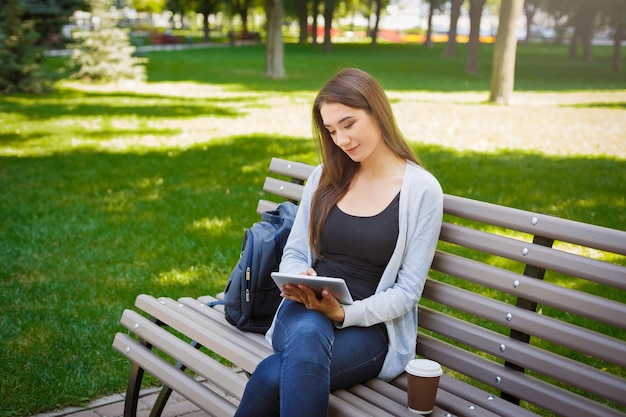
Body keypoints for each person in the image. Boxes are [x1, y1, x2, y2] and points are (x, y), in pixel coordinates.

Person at [234, 68, 443, 417]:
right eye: (332, 131)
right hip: (302, 310)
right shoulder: (325, 176)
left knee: (273, 374)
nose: (341, 140)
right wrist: (299, 277)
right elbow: (297, 250)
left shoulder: (421, 191)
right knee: (310, 330)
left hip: (369, 330)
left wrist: (344, 313)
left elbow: (407, 292)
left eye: (348, 124)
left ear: (377, 112)